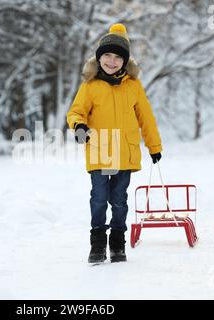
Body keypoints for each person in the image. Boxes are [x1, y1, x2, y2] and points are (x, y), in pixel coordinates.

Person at [66, 23, 163, 264]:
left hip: (125, 153)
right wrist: (79, 126)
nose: (111, 61)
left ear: (125, 61)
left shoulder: (133, 86)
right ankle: (97, 243)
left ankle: (117, 242)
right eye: (107, 56)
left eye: (117, 57)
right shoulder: (90, 86)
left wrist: (154, 146)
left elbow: (146, 117)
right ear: (99, 59)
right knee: (99, 198)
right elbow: (76, 112)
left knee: (119, 200)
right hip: (100, 152)